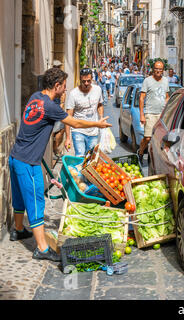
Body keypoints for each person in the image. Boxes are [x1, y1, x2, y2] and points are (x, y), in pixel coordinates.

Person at [8, 67, 111, 261]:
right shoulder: (51, 106)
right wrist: (98, 124)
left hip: (15, 157)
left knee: (20, 198)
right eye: (63, 86)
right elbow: (76, 123)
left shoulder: (36, 97)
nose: (65, 90)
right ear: (56, 85)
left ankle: (18, 230)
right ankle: (42, 249)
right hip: (28, 163)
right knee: (37, 204)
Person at [64, 68, 105, 157]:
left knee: (90, 158)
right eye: (84, 81)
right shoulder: (73, 94)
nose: (86, 83)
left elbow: (99, 104)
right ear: (80, 80)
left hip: (93, 131)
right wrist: (68, 138)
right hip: (78, 131)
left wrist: (101, 117)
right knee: (80, 156)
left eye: (88, 81)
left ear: (92, 79)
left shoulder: (97, 90)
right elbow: (68, 117)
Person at [138, 60, 170, 164]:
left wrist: (169, 110)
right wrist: (142, 115)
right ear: (153, 69)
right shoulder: (147, 81)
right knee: (147, 138)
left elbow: (166, 97)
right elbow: (142, 98)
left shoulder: (165, 81)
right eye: (156, 68)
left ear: (163, 70)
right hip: (150, 113)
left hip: (162, 114)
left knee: (161, 139)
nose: (158, 71)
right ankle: (141, 151)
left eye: (160, 69)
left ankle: (156, 158)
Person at [51, 60, 66, 157]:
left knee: (60, 129)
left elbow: (63, 93)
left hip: (57, 107)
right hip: (54, 108)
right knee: (59, 129)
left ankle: (55, 149)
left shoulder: (60, 80)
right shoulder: (53, 81)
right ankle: (55, 149)